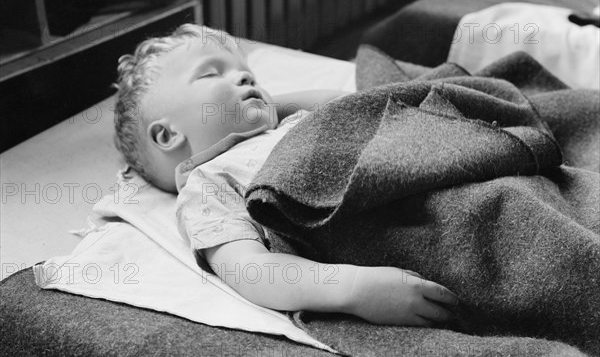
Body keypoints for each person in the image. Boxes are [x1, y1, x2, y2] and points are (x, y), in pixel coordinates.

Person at [113, 24, 459, 326]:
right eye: (210, 74)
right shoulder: (208, 183)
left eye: (249, 75)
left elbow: (350, 105)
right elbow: (249, 270)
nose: (245, 78)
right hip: (407, 225)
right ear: (167, 135)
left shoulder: (288, 123)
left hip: (427, 164)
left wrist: (264, 107)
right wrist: (354, 289)